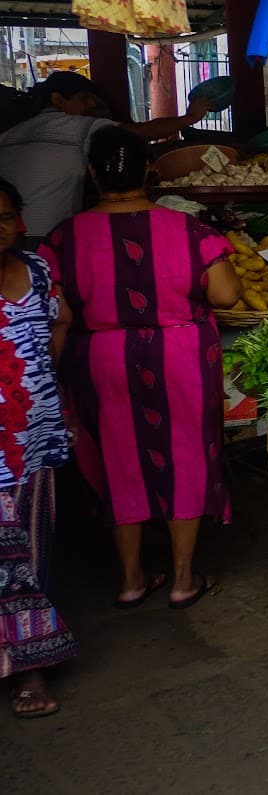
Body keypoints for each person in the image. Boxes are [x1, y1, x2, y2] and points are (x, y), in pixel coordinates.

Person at [40, 129, 242, 610]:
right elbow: (226, 296)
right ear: (150, 172)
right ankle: (183, 579)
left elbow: (58, 317)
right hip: (180, 357)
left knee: (118, 459)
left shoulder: (62, 239)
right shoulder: (192, 232)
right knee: (186, 457)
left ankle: (131, 580)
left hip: (100, 358)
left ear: (92, 174)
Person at [0, 178, 77, 717]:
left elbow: (63, 319)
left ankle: (32, 669)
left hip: (36, 438)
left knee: (30, 556)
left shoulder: (37, 269)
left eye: (4, 216)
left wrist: (41, 377)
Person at [0, 71, 212, 244]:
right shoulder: (72, 124)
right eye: (85, 98)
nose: (92, 106)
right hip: (44, 235)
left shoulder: (11, 133)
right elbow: (138, 133)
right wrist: (190, 118)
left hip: (9, 234)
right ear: (57, 99)